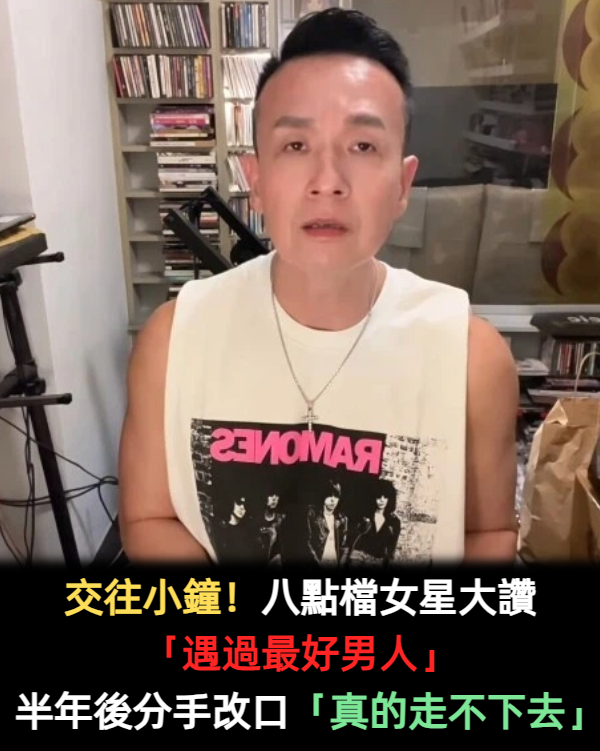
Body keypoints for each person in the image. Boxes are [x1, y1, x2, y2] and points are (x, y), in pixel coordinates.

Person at [118, 9, 519, 564]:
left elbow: (489, 534)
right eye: (296, 146)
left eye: (363, 146)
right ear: (256, 181)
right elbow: (149, 518)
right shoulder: (174, 340)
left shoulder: (472, 357)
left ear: (403, 185)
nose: (327, 182)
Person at [347, 480, 401, 567]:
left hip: (377, 560)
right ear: (373, 497)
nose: (382, 500)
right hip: (358, 556)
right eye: (378, 497)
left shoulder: (394, 522)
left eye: (385, 497)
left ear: (390, 498)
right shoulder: (365, 515)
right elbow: (352, 536)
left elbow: (391, 548)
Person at [306, 481, 349, 566]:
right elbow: (307, 542)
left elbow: (344, 546)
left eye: (336, 496)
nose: (333, 500)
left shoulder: (342, 519)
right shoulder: (312, 515)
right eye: (329, 495)